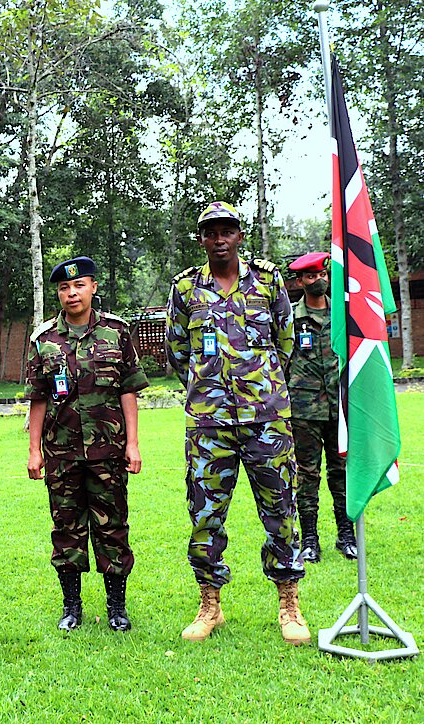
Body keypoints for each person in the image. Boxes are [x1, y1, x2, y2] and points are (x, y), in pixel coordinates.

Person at [165, 201, 309, 645]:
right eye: (211, 232)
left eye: (227, 230)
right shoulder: (185, 288)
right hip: (209, 423)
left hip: (266, 418)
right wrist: (209, 387)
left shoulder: (267, 280)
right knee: (205, 513)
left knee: (281, 509)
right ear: (202, 240)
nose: (219, 239)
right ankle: (210, 604)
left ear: (240, 235)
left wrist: (260, 384)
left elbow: (286, 342)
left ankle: (289, 604)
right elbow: (177, 351)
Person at [25, 256, 148, 632]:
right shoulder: (44, 340)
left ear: (93, 287)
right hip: (61, 452)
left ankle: (117, 607)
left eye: (79, 285)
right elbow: (37, 398)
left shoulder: (117, 332)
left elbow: (128, 391)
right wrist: (33, 451)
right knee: (66, 529)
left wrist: (133, 444)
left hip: (108, 452)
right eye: (64, 288)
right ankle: (71, 607)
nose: (72, 293)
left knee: (113, 528)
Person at [286, 252, 356, 563]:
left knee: (341, 472)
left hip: (340, 407)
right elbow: (282, 359)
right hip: (304, 410)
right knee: (307, 476)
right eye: (311, 276)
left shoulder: (342, 315)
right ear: (300, 281)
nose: (319, 280)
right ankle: (310, 540)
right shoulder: (290, 319)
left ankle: (346, 535)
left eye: (322, 274)